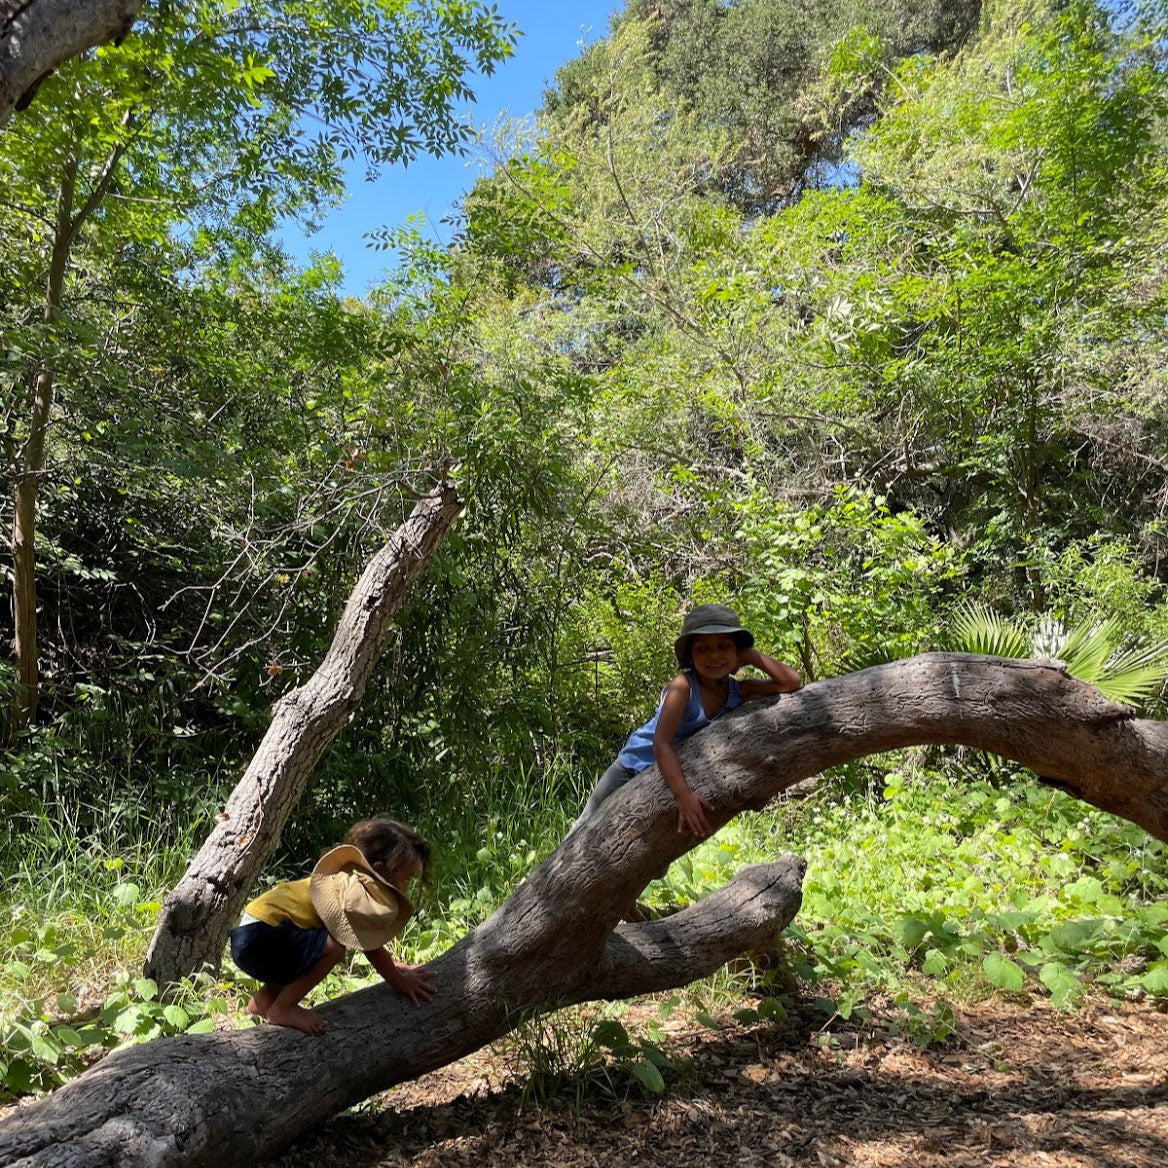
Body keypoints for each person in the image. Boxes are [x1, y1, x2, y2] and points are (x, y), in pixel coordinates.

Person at [570, 603, 801, 840]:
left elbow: (791, 682)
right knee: (586, 825)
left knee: (645, 844)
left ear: (736, 654)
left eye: (724, 646)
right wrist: (684, 796)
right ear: (690, 656)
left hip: (667, 776)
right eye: (702, 648)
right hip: (632, 766)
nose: (713, 655)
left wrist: (749, 655)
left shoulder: (738, 691)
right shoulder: (683, 687)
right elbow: (662, 743)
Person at [228, 816, 436, 1035]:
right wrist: (400, 981)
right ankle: (283, 1009)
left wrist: (394, 967)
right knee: (334, 949)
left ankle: (261, 1004)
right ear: (379, 869)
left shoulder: (347, 879)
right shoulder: (356, 893)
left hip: (253, 931)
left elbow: (366, 943)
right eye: (407, 879)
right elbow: (368, 946)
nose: (407, 886)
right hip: (263, 935)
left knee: (309, 953)